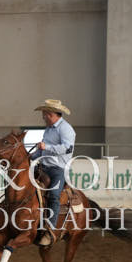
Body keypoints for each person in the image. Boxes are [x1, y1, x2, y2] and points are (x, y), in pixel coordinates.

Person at [29, 99, 76, 246]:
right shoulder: (49, 129)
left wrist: (47, 147)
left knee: (54, 196)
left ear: (50, 114)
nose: (43, 117)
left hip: (58, 169)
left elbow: (68, 148)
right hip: (43, 166)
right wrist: (30, 157)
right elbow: (43, 150)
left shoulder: (66, 129)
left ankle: (50, 231)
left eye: (44, 114)